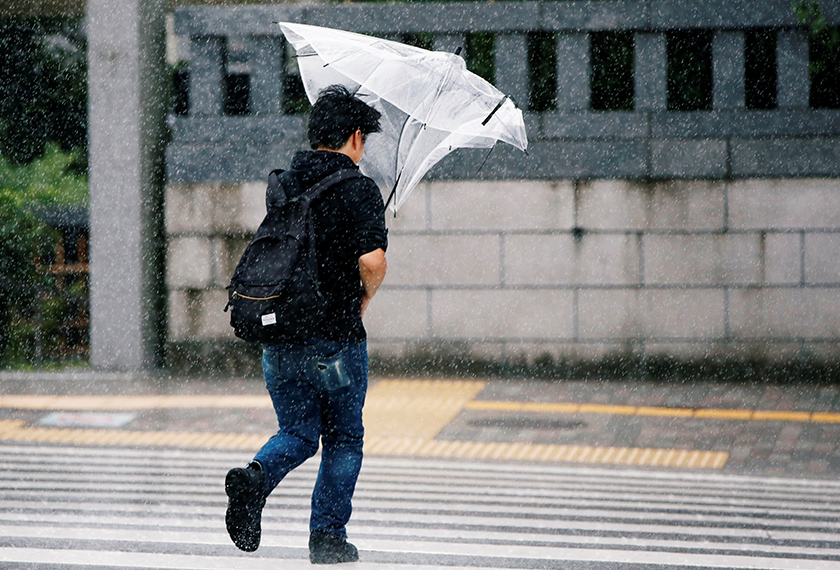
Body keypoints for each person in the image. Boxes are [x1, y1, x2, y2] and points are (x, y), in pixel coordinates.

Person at [224, 85, 387, 564]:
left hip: (279, 335)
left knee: (297, 432)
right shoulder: (359, 189)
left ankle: (254, 479)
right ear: (355, 137)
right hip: (334, 340)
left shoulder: (285, 183)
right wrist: (364, 298)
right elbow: (372, 263)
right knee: (342, 439)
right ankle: (327, 537)